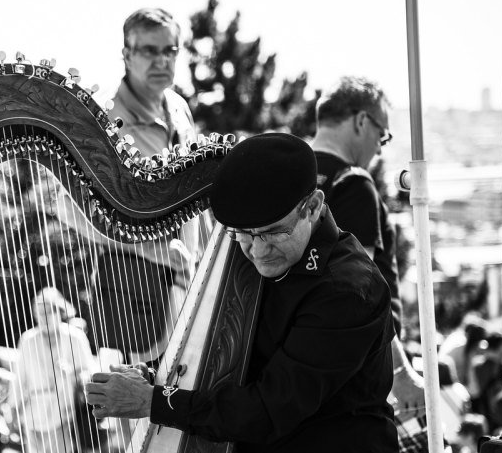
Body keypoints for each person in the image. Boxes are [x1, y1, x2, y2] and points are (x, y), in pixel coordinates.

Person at [85, 132, 397, 452]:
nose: (258, 252)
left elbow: (268, 410)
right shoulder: (248, 257)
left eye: (273, 233)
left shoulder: (347, 290)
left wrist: (154, 401)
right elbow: (232, 364)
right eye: (243, 235)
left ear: (313, 207)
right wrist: (158, 381)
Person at [310, 76, 432, 452]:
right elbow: (360, 295)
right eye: (383, 136)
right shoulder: (354, 185)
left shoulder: (289, 175)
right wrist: (400, 372)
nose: (380, 149)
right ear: (361, 121)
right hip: (359, 375)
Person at [91, 7, 200, 362]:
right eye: (149, 51)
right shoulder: (104, 114)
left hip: (191, 280)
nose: (162, 61)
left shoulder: (180, 107)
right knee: (137, 406)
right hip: (132, 286)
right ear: (126, 55)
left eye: (170, 50)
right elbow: (72, 208)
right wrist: (147, 245)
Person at [12, 287, 95, 453]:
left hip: (64, 415)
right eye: (39, 313)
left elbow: (90, 376)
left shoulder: (75, 337)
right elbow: (19, 379)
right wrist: (14, 408)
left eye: (48, 312)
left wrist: (71, 372)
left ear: (59, 311)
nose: (43, 318)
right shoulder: (27, 340)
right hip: (33, 416)